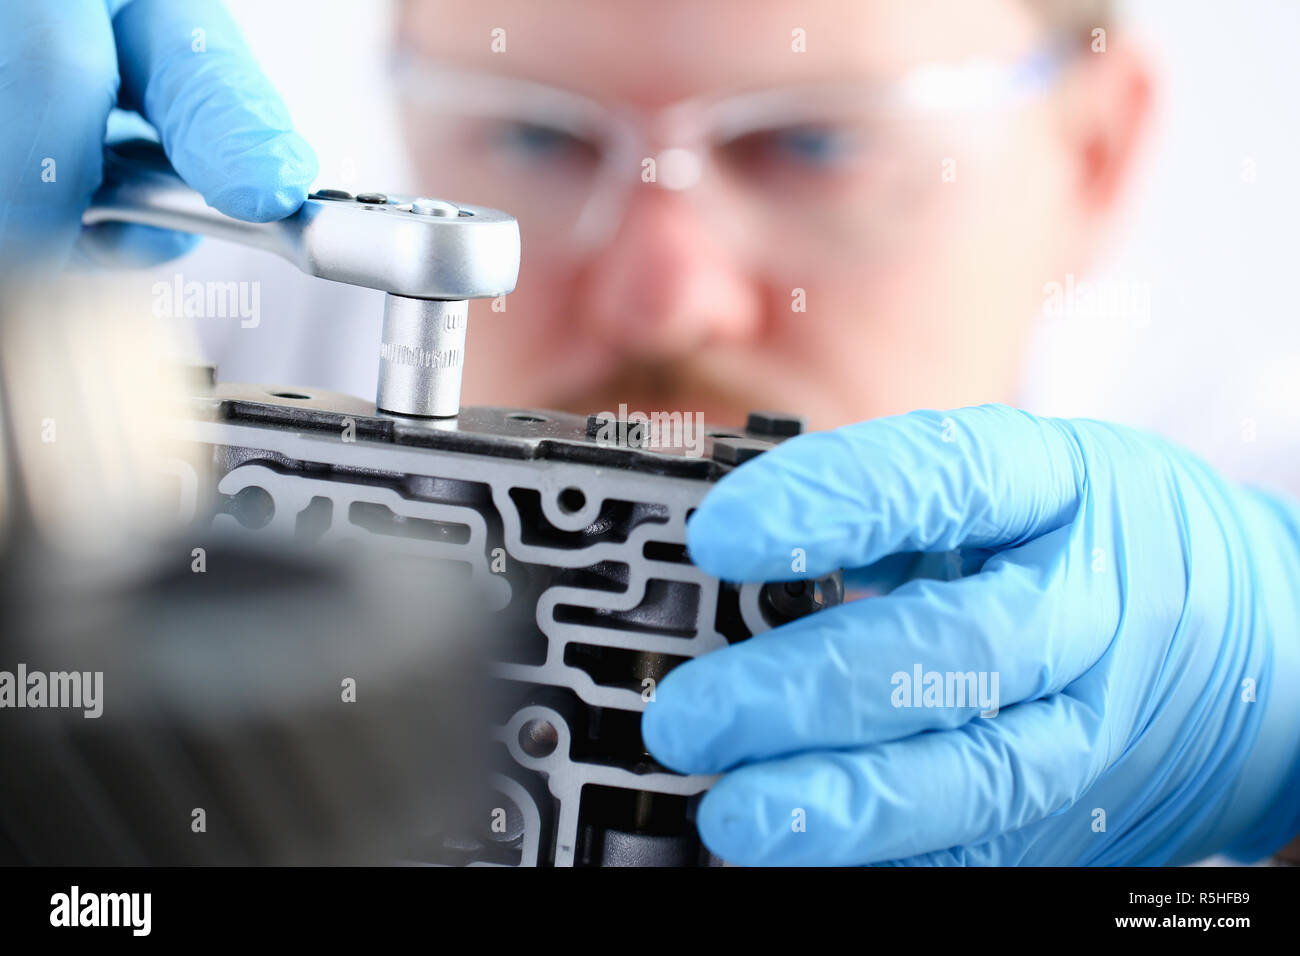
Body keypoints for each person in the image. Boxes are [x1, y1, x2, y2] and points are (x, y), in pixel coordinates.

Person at [1, 0, 1296, 866]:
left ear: (1094, 153)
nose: (660, 292)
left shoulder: (1250, 486)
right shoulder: (130, 343)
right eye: (534, 134)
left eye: (806, 143)